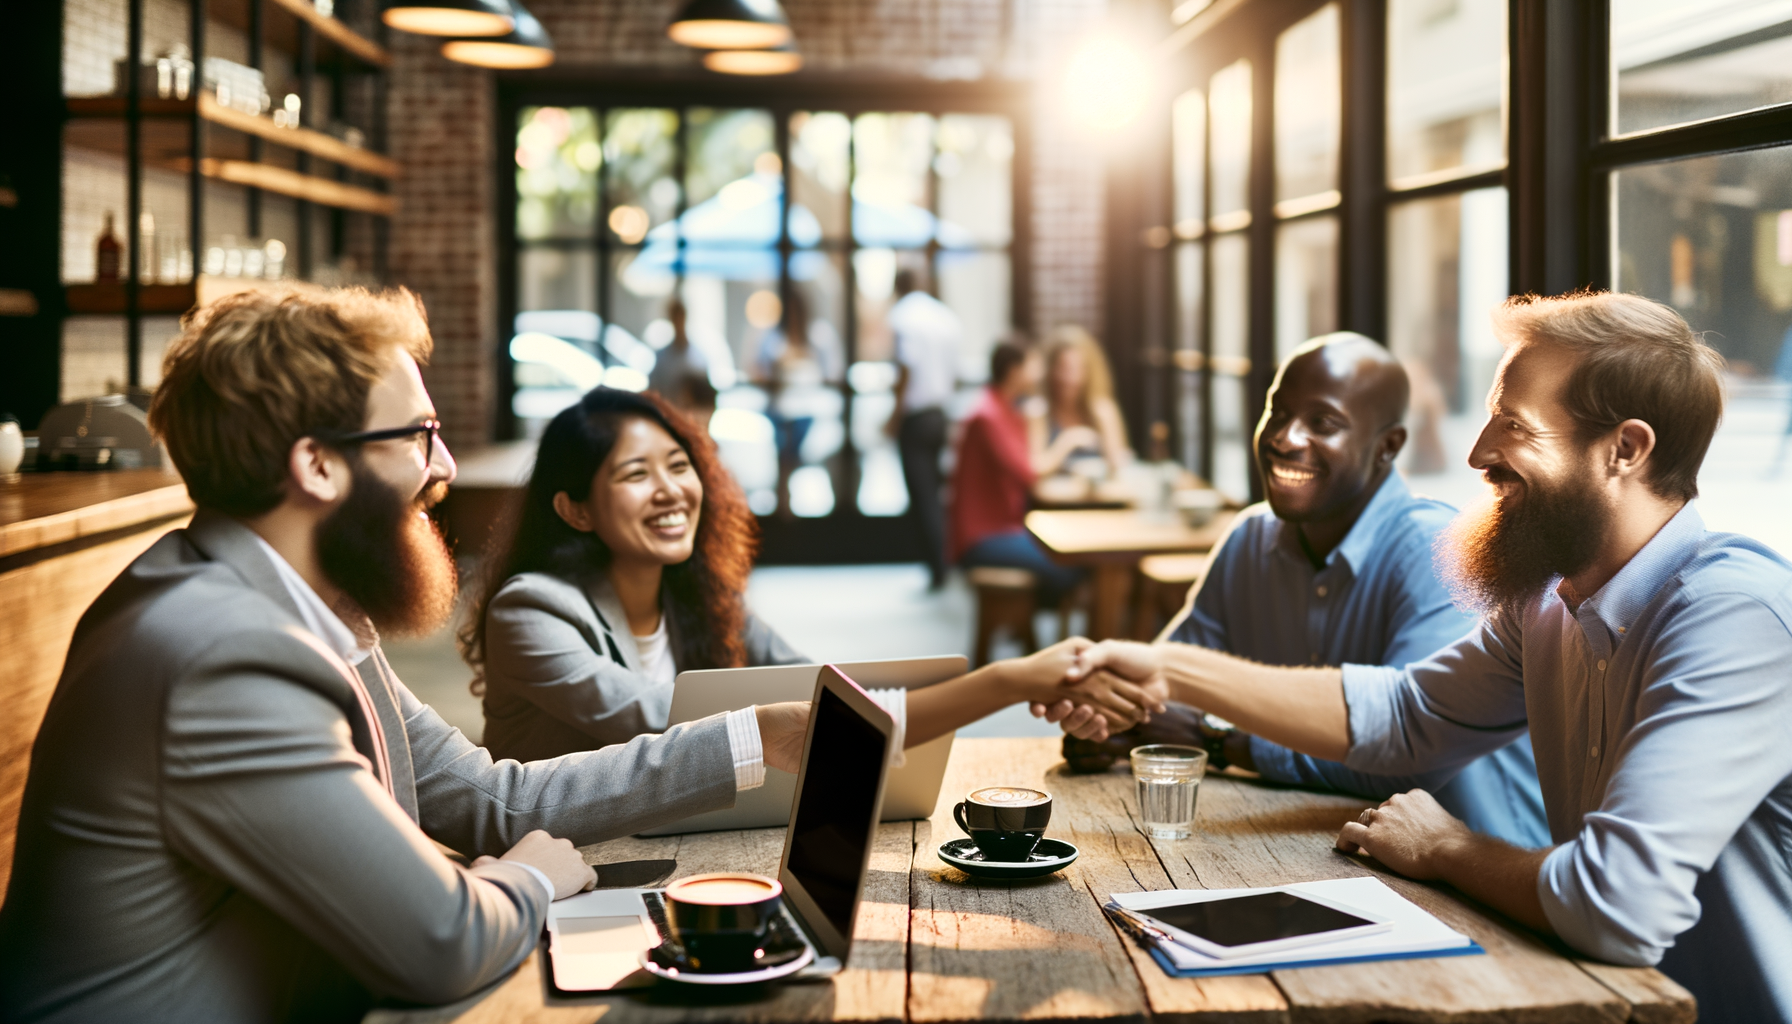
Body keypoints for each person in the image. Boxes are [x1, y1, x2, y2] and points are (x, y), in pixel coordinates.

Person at [0, 288, 816, 1022]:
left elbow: (496, 801)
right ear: (317, 464)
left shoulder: (296, 608)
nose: (447, 467)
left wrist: (754, 739)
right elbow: (442, 941)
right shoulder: (220, 654)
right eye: (420, 435)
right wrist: (528, 878)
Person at [1058, 293, 1792, 1023]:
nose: (1477, 454)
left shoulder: (1733, 614)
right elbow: (1407, 716)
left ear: (1625, 450)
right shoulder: (1546, 604)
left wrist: (1447, 847)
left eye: (1513, 426)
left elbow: (1614, 903)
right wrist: (1175, 670)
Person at [469, 385, 1158, 764]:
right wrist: (1006, 680)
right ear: (576, 510)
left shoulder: (699, 598)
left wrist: (1027, 681)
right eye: (634, 474)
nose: (670, 490)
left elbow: (825, 692)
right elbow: (665, 725)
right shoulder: (530, 613)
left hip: (681, 843)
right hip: (572, 865)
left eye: (679, 466)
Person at [1051, 332, 1548, 847]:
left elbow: (1406, 763)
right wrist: (1115, 718)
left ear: (1388, 447)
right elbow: (1160, 693)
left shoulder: (1436, 551)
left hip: (1468, 879)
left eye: (1323, 423)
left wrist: (1218, 742)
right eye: (1277, 412)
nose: (1285, 438)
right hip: (1319, 847)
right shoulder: (1249, 538)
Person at [951, 340, 1096, 605]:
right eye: (1034, 366)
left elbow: (1031, 460)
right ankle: (1022, 625)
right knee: (1069, 564)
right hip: (983, 536)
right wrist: (1067, 441)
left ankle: (1024, 627)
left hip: (1004, 527)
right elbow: (1029, 473)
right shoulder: (989, 415)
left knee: (1078, 557)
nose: (1040, 373)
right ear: (1015, 371)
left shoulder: (1005, 408)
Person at [885, 269, 962, 589]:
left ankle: (937, 568)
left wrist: (894, 416)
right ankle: (943, 561)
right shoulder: (944, 317)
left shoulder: (903, 317)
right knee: (937, 492)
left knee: (923, 496)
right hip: (940, 415)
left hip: (916, 418)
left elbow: (905, 369)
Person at [752, 286, 842, 519]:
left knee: (791, 456)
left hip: (806, 408)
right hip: (780, 408)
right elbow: (757, 370)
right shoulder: (772, 336)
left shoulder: (818, 335)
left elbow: (832, 372)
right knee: (784, 456)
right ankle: (784, 504)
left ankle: (786, 503)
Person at [1034, 325, 1132, 476]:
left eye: (1076, 369)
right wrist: (1069, 441)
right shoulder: (1040, 412)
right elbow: (1034, 470)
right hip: (1053, 498)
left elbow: (1119, 467)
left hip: (1097, 498)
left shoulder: (1102, 409)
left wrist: (1104, 421)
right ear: (1051, 370)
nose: (1069, 378)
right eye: (1062, 368)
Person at [645, 296, 716, 420]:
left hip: (691, 421)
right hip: (668, 419)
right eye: (675, 316)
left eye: (680, 316)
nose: (678, 321)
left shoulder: (698, 358)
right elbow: (652, 393)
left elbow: (706, 400)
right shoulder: (661, 358)